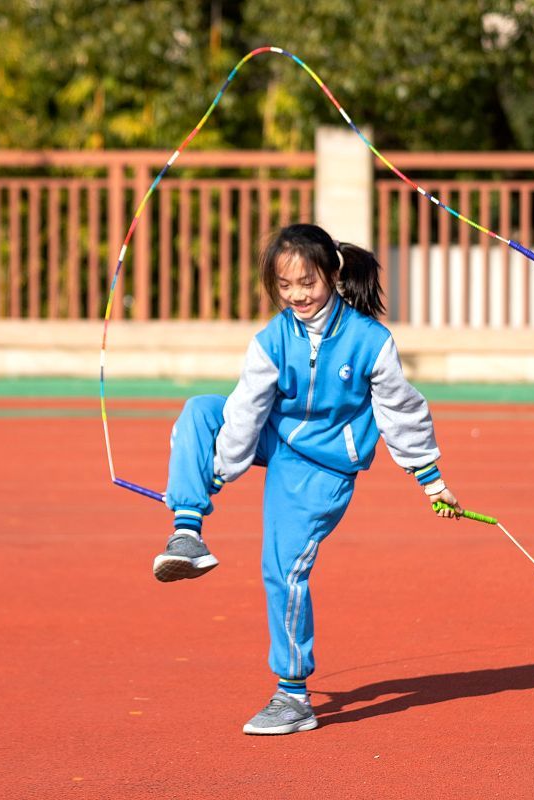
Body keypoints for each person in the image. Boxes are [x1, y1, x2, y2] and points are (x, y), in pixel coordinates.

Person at [153, 223, 461, 735]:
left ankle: (293, 697)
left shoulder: (369, 341)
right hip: (276, 434)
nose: (296, 296)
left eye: (307, 284)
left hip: (323, 466)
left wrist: (429, 478)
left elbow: (400, 411)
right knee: (201, 411)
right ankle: (187, 529)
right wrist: (219, 473)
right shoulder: (271, 338)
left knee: (283, 570)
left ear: (332, 276)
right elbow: (247, 410)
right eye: (285, 286)